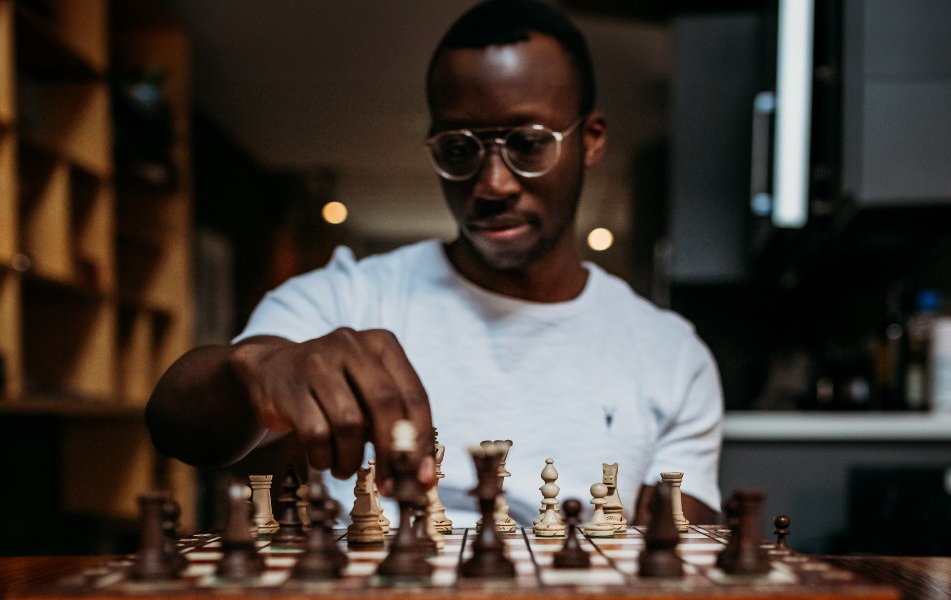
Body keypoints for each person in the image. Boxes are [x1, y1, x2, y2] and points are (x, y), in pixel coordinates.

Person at [146, 0, 722, 525]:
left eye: (527, 142)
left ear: (591, 139)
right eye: (459, 149)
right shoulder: (346, 297)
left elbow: (680, 559)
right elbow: (176, 422)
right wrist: (261, 371)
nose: (492, 183)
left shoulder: (672, 355)